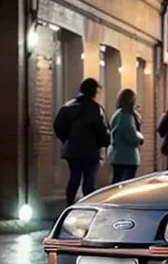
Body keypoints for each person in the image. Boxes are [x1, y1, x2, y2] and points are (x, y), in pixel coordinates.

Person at [53, 77, 111, 206]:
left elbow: (58, 126)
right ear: (93, 92)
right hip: (90, 151)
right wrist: (104, 142)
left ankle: (69, 205)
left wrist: (66, 139)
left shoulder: (68, 107)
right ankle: (87, 206)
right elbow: (101, 130)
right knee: (89, 182)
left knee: (74, 178)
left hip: (73, 150)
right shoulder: (95, 109)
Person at [108, 88, 144, 183]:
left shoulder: (116, 114)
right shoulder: (126, 116)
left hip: (116, 155)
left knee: (116, 182)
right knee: (127, 185)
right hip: (128, 157)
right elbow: (131, 136)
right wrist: (140, 138)